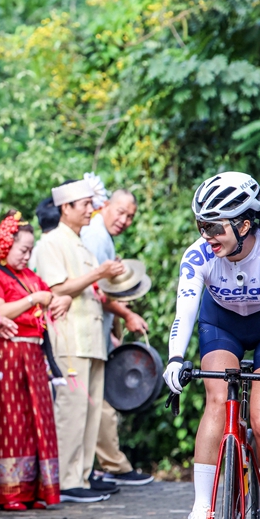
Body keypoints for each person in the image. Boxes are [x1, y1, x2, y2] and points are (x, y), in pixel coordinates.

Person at [163, 172, 260, 519]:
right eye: (200, 225)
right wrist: (175, 358)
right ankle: (202, 508)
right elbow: (185, 314)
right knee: (216, 401)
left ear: (245, 225)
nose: (206, 235)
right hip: (220, 327)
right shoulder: (198, 256)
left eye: (213, 226)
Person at [31, 179, 123, 503]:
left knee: (90, 410)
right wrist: (99, 274)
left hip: (90, 336)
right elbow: (57, 288)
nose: (90, 209)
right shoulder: (51, 242)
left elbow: (87, 288)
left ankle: (83, 475)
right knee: (71, 410)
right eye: (83, 204)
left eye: (90, 203)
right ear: (65, 208)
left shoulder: (81, 242)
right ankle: (66, 479)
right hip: (68, 337)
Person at [0, 213, 69, 511]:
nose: (26, 255)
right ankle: (10, 491)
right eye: (22, 249)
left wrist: (62, 299)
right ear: (6, 245)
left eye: (30, 250)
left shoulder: (31, 277)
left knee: (37, 422)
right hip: (9, 354)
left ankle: (35, 489)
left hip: (34, 357)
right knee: (12, 420)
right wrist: (34, 300)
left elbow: (52, 294)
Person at [79, 180, 155, 489]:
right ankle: (110, 465)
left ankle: (99, 468)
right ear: (105, 206)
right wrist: (126, 314)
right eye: (120, 212)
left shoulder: (103, 236)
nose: (124, 220)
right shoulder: (96, 235)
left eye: (130, 217)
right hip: (85, 327)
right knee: (98, 400)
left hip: (98, 327)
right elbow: (95, 289)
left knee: (97, 399)